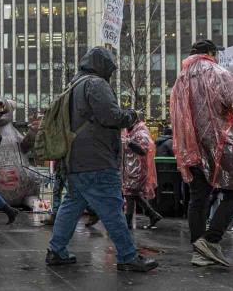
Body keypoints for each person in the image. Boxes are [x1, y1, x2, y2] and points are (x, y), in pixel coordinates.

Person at [46, 47, 158, 272]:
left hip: (75, 159)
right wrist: (132, 115)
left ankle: (56, 250)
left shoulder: (73, 86)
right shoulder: (96, 84)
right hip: (96, 158)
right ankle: (127, 256)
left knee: (72, 204)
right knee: (112, 207)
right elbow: (111, 116)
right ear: (103, 66)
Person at [170, 39, 233, 267]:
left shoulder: (180, 80)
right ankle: (211, 240)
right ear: (211, 53)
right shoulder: (217, 72)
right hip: (220, 145)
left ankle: (198, 251)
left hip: (191, 148)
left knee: (198, 198)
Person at [122, 120, 162, 230]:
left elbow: (144, 150)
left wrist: (129, 142)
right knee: (132, 193)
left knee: (130, 193)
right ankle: (153, 215)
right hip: (130, 168)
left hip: (138, 169)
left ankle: (128, 222)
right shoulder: (128, 132)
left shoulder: (140, 133)